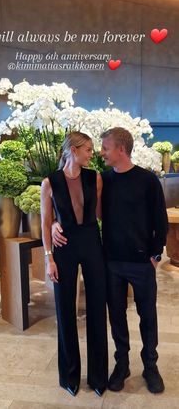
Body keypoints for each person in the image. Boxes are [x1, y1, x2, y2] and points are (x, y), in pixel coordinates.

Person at [52, 127, 168, 395]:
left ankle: (150, 366)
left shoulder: (148, 181)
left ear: (121, 150)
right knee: (116, 317)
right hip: (111, 262)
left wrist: (155, 255)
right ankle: (122, 364)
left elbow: (160, 221)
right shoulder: (100, 179)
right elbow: (77, 206)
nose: (101, 153)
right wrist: (55, 224)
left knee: (147, 316)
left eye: (105, 148)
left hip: (142, 263)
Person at [41, 131, 108, 397]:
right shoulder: (50, 182)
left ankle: (98, 377)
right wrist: (49, 259)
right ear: (74, 150)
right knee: (65, 310)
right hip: (64, 247)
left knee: (96, 309)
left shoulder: (96, 178)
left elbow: (101, 213)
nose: (93, 154)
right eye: (89, 149)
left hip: (92, 242)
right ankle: (69, 376)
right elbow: (45, 223)